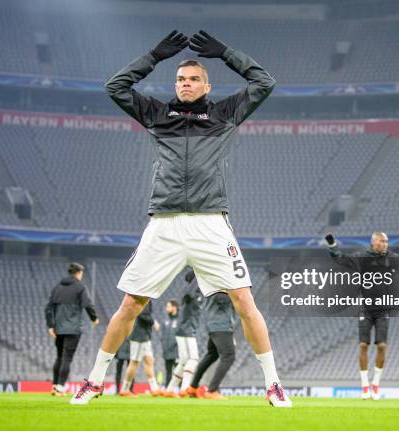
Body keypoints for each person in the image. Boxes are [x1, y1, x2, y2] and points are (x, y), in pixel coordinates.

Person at [70, 30, 291, 407]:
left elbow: (263, 82)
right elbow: (116, 86)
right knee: (130, 305)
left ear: (206, 85)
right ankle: (93, 381)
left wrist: (225, 53)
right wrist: (154, 55)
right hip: (165, 223)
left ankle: (273, 384)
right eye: (180, 79)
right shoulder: (158, 114)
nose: (185, 84)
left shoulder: (223, 113)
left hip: (210, 222)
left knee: (243, 298)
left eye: (192, 79)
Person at [325, 232, 399, 400]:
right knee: (363, 345)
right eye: (382, 241)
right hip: (366, 308)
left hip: (384, 309)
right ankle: (365, 386)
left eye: (386, 241)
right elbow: (341, 259)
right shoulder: (362, 258)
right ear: (374, 242)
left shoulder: (392, 258)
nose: (385, 244)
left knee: (382, 346)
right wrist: (332, 245)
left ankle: (376, 385)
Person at [45, 262, 99, 396]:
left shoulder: (57, 288)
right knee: (67, 358)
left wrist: (51, 326)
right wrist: (94, 318)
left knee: (59, 357)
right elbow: (88, 304)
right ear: (78, 273)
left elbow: (48, 308)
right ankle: (60, 387)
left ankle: (54, 386)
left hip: (58, 329)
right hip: (73, 329)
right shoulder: (80, 287)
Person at [187, 291, 236, 400]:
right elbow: (227, 299)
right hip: (221, 325)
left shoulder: (213, 287)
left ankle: (193, 387)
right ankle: (212, 390)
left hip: (215, 324)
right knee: (228, 356)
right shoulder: (221, 289)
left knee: (212, 355)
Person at [164, 271, 202, 397]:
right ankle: (184, 388)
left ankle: (170, 390)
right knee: (194, 358)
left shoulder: (196, 293)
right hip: (187, 330)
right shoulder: (191, 293)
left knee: (183, 361)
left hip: (184, 329)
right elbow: (188, 293)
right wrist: (197, 277)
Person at [119, 301, 162, 397]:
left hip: (144, 336)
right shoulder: (144, 297)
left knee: (149, 361)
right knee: (134, 362)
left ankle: (154, 389)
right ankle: (125, 389)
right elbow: (142, 314)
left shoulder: (146, 297)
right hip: (139, 336)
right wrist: (154, 322)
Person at [160, 299, 179, 387]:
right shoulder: (165, 321)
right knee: (168, 372)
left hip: (177, 352)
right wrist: (164, 347)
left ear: (174, 307)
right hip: (167, 352)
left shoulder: (180, 320)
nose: (167, 308)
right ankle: (168, 391)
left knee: (178, 372)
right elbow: (162, 336)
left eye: (168, 306)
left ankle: (181, 391)